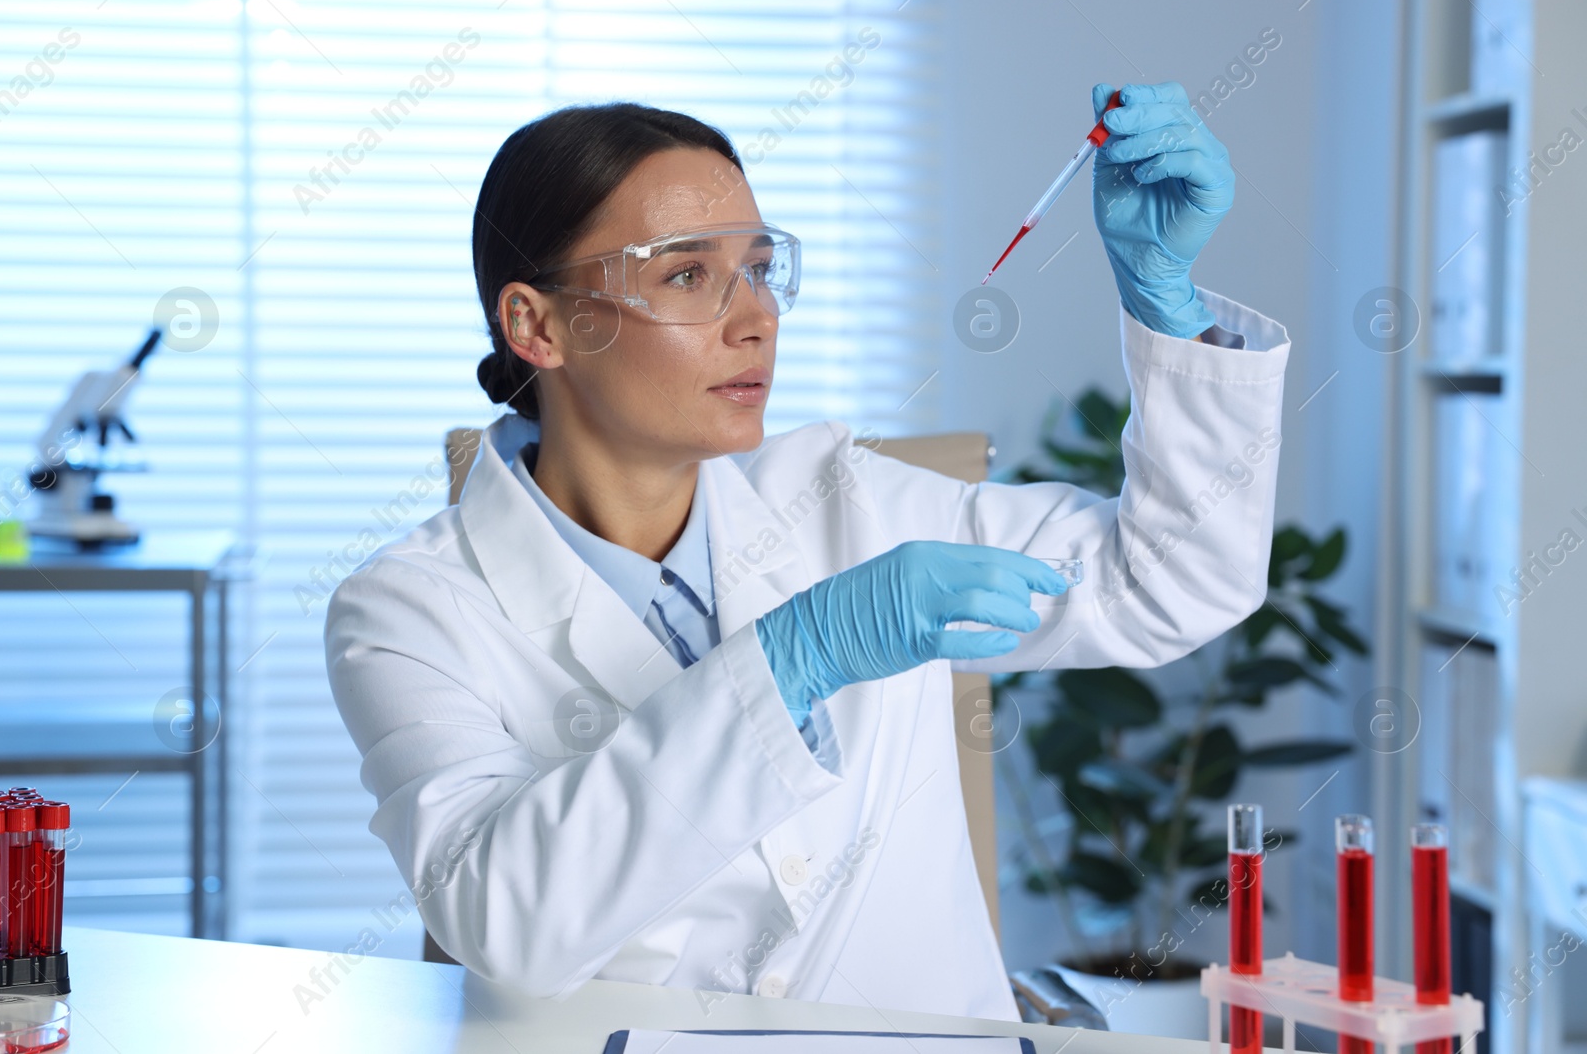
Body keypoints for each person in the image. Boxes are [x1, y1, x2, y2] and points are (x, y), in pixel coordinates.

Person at [324, 84, 1292, 1022]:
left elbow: (1170, 581)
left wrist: (1164, 305)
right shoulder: (408, 608)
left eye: (755, 266)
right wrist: (794, 656)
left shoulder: (845, 499)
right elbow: (509, 922)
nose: (755, 317)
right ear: (538, 324)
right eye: (686, 274)